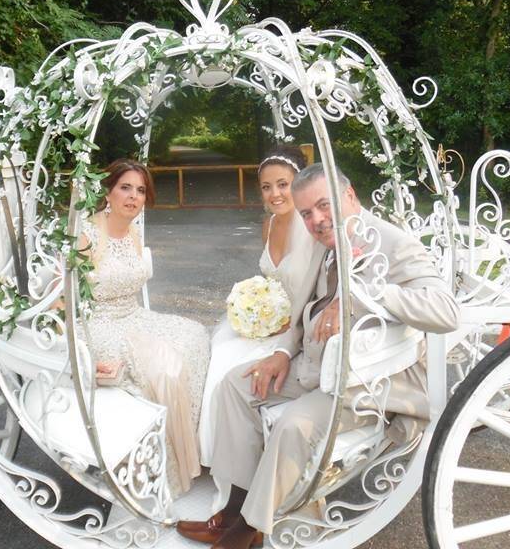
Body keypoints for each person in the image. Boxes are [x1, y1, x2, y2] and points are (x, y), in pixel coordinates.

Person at [177, 163, 460, 549]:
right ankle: (232, 509)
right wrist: (280, 352)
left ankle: (247, 530)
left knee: (294, 424)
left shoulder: (393, 243)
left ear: (350, 196)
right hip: (315, 366)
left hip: (368, 381)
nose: (318, 220)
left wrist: (364, 296)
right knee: (236, 385)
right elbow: (304, 310)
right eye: (307, 213)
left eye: (325, 206)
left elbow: (445, 311)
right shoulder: (323, 246)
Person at [79, 159, 210, 496]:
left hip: (134, 315)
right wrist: (80, 352)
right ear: (108, 191)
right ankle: (164, 467)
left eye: (140, 190)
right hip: (102, 324)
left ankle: (191, 447)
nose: (133, 197)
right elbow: (64, 300)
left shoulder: (134, 231)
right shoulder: (87, 233)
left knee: (195, 336)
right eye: (125, 187)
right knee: (163, 371)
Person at [197, 147, 323, 486]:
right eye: (266, 187)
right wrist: (256, 310)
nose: (275, 194)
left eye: (283, 184)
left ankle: (236, 469)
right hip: (271, 321)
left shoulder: (312, 227)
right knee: (218, 349)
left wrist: (283, 325)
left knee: (231, 366)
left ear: (299, 183)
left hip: (294, 328)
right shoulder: (269, 225)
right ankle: (215, 457)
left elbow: (316, 289)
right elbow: (271, 281)